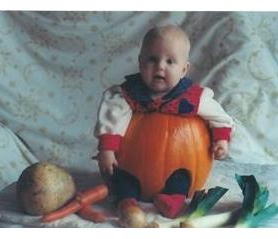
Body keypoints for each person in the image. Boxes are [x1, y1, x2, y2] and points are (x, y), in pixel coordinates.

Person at [93, 25, 234, 226]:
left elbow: (218, 116)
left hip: (179, 162)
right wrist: (106, 149)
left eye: (170, 61)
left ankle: (173, 198)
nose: (160, 66)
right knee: (122, 176)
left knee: (182, 177)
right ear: (140, 62)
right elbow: (111, 118)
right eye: (152, 59)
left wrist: (221, 140)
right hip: (131, 164)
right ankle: (126, 201)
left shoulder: (195, 98)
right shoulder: (126, 95)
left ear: (184, 69)